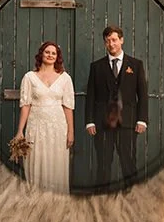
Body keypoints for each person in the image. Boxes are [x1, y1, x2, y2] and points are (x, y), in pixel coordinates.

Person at [85, 25, 147, 191]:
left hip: (127, 122)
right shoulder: (96, 67)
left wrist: (142, 119)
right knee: (103, 163)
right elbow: (90, 95)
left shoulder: (136, 64)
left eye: (114, 40)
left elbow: (142, 94)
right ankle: (102, 199)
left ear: (121, 40)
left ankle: (133, 196)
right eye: (107, 41)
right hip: (102, 124)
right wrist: (89, 122)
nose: (111, 44)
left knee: (128, 161)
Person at [13, 41, 76, 193]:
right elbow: (26, 105)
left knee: (56, 162)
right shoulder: (29, 77)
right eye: (47, 52)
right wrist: (20, 131)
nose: (50, 55)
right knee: (36, 161)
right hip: (36, 126)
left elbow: (68, 107)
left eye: (53, 53)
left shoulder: (65, 78)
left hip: (58, 127)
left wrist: (70, 131)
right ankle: (36, 200)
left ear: (57, 57)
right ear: (41, 54)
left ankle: (56, 202)